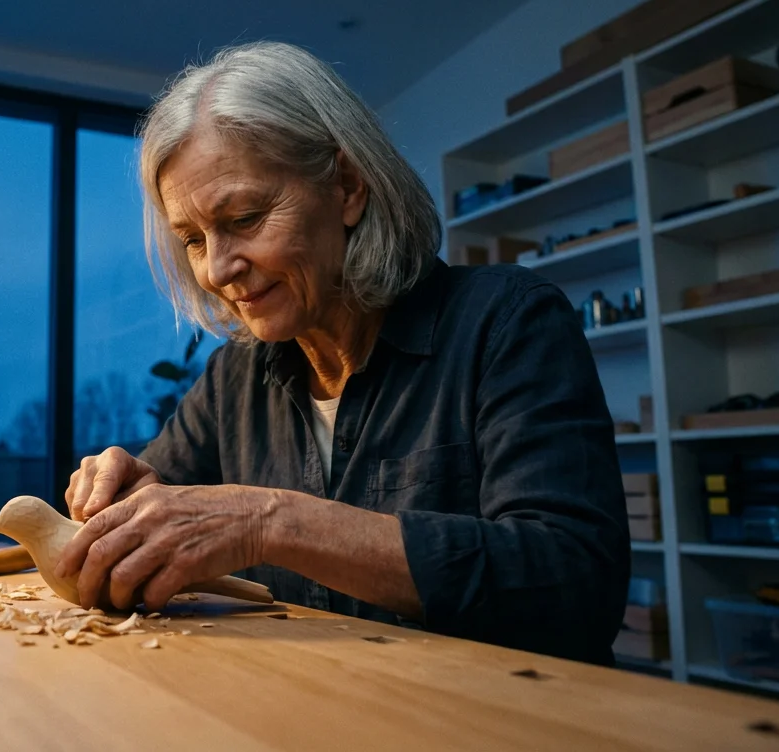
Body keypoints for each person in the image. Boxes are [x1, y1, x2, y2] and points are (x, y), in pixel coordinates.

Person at [54, 41, 629, 665]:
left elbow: (575, 586)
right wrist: (129, 503)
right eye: (193, 239)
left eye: (245, 218)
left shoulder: (507, 321)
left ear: (348, 188)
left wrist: (269, 520)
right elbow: (162, 514)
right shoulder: (235, 378)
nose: (218, 269)